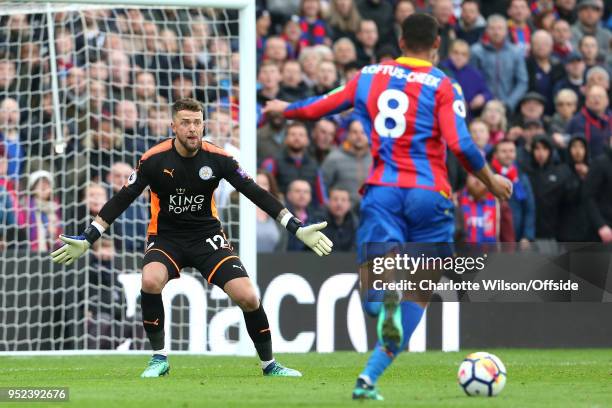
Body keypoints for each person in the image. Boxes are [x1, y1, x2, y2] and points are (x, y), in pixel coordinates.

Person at [264, 13, 512, 400]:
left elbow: (320, 107)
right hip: (431, 197)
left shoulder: (370, 75)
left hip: (383, 194)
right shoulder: (444, 85)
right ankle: (368, 380)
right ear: (435, 46)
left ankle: (382, 314)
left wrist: (284, 107)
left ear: (399, 42)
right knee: (418, 292)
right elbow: (460, 144)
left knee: (375, 299)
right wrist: (492, 181)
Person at [51, 98, 333, 378]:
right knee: (149, 280)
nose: (192, 129)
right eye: (185, 123)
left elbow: (254, 191)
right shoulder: (153, 160)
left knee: (248, 296)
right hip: (166, 237)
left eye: (197, 123)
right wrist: (89, 237)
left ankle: (269, 365)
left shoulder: (219, 158)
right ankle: (159, 359)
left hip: (207, 237)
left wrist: (295, 225)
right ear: (173, 126)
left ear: (203, 125)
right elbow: (122, 199)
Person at [470, 14, 528, 112]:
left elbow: (522, 82)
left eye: (500, 28)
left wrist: (509, 103)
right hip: (482, 106)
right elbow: (471, 79)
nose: (496, 32)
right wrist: (482, 98)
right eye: (492, 28)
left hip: (508, 107)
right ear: (486, 31)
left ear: (506, 31)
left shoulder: (516, 52)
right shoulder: (476, 51)